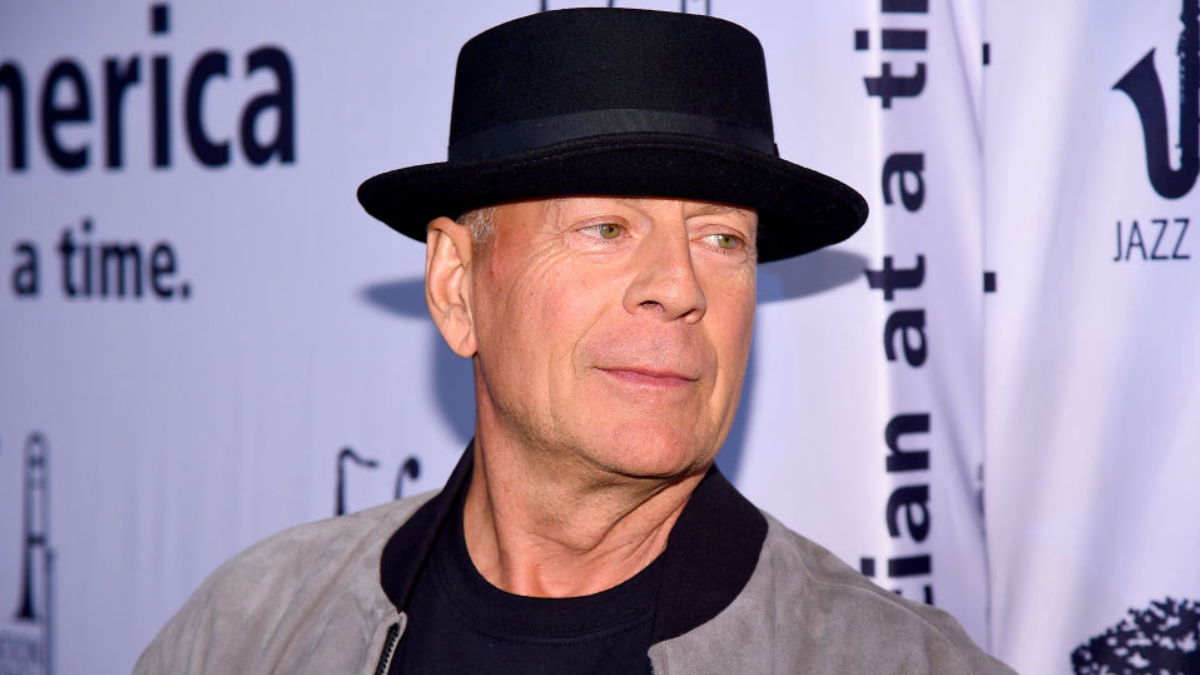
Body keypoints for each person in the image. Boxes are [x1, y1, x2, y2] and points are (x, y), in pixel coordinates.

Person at [136, 8, 1016, 674]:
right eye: (605, 228)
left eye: (722, 239)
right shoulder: (250, 630)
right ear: (456, 285)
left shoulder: (889, 659)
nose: (680, 286)